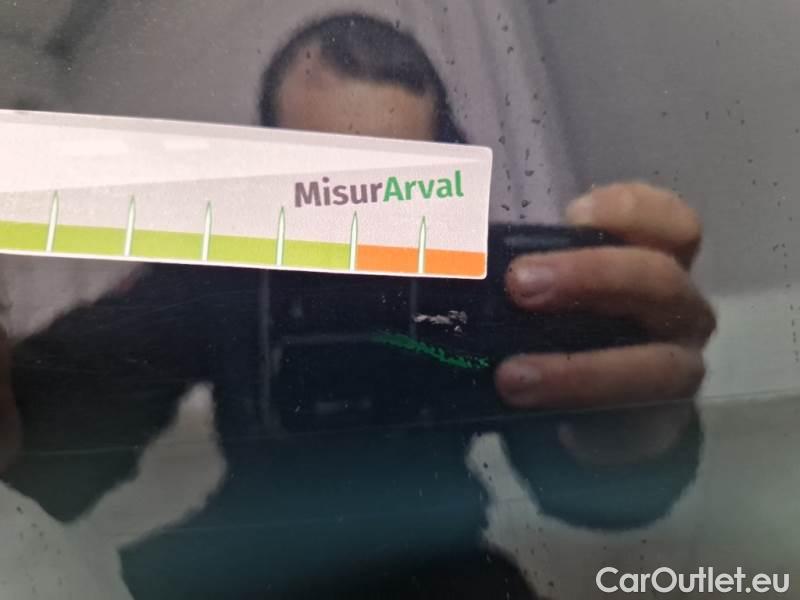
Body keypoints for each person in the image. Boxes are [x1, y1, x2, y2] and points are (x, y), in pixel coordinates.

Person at [2, 12, 710, 599]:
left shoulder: (487, 278)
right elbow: (63, 429)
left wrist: (628, 440)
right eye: (325, 183)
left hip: (437, 563)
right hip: (242, 561)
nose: (358, 222)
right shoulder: (222, 268)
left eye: (395, 184)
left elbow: (585, 482)